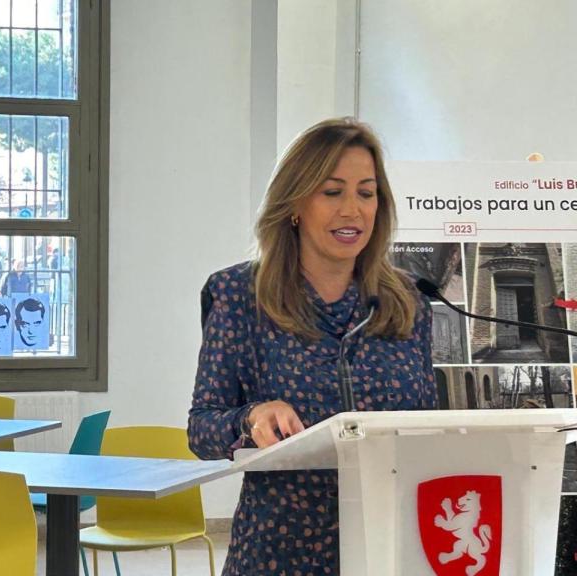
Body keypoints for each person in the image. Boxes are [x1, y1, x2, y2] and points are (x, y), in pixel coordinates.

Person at [187, 118, 436, 575]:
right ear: (296, 203)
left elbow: (429, 429)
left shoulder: (409, 301)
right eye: (332, 191)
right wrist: (251, 416)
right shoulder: (239, 294)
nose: (353, 210)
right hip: (281, 549)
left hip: (391, 546)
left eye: (366, 192)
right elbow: (201, 429)